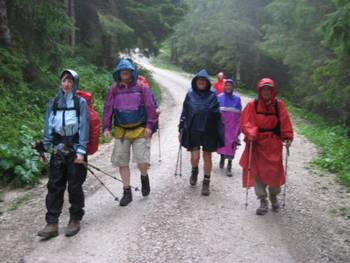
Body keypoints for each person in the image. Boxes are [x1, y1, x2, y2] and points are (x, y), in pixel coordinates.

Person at [38, 69, 89, 238]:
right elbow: (48, 127)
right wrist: (44, 148)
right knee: (54, 186)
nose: (66, 84)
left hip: (75, 149)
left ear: (74, 84)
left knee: (74, 185)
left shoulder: (80, 103)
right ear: (60, 83)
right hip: (58, 149)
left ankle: (75, 218)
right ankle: (52, 223)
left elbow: (84, 127)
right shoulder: (53, 103)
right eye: (64, 81)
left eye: (70, 81)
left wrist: (81, 151)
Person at [103, 58, 157, 207]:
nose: (125, 73)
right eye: (122, 71)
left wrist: (149, 126)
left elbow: (150, 106)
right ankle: (127, 192)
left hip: (140, 129)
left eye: (127, 71)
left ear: (132, 72)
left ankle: (144, 176)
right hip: (122, 131)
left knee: (142, 161)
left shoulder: (142, 87)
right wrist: (106, 127)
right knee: (122, 162)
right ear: (118, 73)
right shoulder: (113, 90)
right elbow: (108, 109)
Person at [239, 78, 293, 215]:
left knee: (274, 172)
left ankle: (273, 195)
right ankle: (262, 199)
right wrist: (251, 133)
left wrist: (287, 136)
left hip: (273, 143)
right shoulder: (253, 105)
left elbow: (285, 121)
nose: (266, 92)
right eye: (264, 89)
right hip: (257, 143)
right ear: (260, 90)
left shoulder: (278, 105)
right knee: (257, 172)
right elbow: (246, 122)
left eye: (269, 89)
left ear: (272, 90)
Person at [179, 69, 224, 196]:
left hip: (209, 131)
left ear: (207, 82)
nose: (201, 82)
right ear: (195, 81)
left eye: (203, 80)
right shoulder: (190, 95)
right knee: (195, 157)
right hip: (193, 130)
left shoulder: (213, 95)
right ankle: (194, 171)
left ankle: (206, 182)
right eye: (199, 80)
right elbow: (185, 113)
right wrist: (181, 128)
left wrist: (219, 130)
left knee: (207, 157)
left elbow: (217, 115)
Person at [216, 79, 242, 177]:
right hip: (222, 125)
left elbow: (240, 114)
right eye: (227, 85)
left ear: (233, 87)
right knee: (222, 144)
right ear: (224, 86)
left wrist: (239, 128)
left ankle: (229, 165)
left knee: (232, 145)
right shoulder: (219, 97)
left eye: (230, 85)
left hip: (232, 126)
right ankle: (222, 157)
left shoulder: (237, 99)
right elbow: (215, 112)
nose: (228, 87)